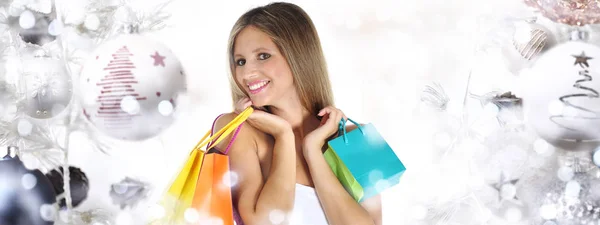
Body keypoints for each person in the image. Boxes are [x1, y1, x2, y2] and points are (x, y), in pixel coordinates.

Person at [211, 2, 382, 225]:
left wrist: (313, 151)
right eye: (240, 61)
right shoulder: (236, 128)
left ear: (298, 55)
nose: (247, 72)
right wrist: (284, 137)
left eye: (263, 56)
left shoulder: (359, 139)